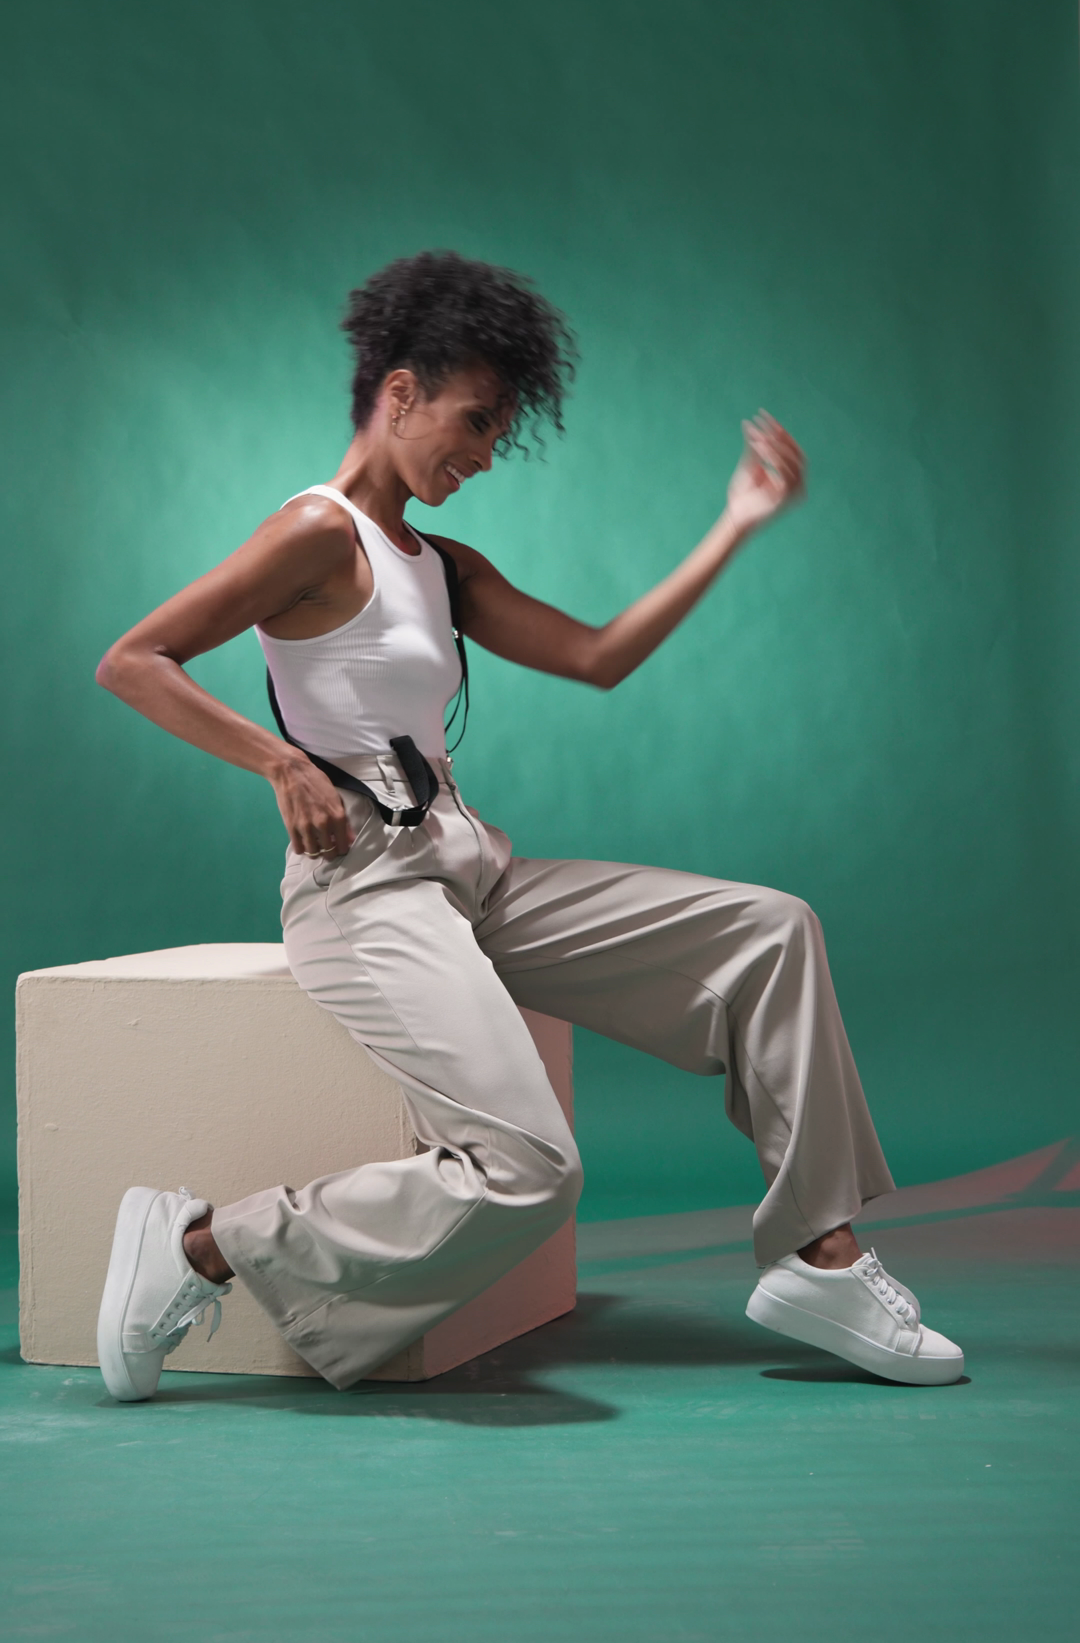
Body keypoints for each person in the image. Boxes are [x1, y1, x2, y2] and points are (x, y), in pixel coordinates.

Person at [94, 250, 963, 1402]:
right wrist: (277, 761)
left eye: (500, 431)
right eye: (475, 420)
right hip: (364, 891)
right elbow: (135, 659)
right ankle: (202, 1246)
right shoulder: (317, 533)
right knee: (528, 1168)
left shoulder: (440, 565)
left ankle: (821, 1257)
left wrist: (736, 522)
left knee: (771, 932)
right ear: (399, 392)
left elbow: (599, 657)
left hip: (469, 873)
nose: (487, 453)